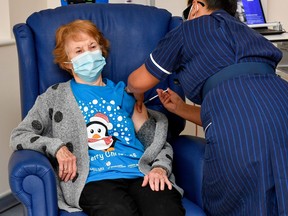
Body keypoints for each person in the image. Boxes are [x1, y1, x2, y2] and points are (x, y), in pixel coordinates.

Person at [127, 0, 288, 215]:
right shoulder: (250, 33)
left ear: (195, 6)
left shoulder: (188, 29)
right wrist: (181, 108)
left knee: (242, 199)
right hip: (281, 100)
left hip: (239, 121)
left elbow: (137, 82)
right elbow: (247, 106)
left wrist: (135, 95)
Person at [10, 19, 185, 216]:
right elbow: (19, 135)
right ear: (67, 63)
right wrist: (57, 148)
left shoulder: (124, 94)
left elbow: (156, 142)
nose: (88, 54)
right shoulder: (55, 97)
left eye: (92, 46)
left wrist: (160, 168)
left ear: (101, 50)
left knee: (166, 210)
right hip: (93, 179)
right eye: (78, 51)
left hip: (139, 172)